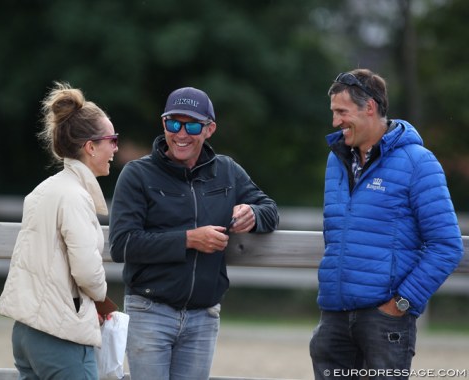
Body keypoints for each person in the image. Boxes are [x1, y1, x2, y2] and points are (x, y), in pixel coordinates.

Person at [109, 86, 279, 380]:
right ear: (164, 124)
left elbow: (270, 209)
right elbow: (122, 245)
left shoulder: (227, 170)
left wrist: (253, 215)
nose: (181, 133)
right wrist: (189, 239)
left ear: (209, 129)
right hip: (149, 310)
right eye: (173, 123)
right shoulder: (137, 174)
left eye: (192, 125)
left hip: (204, 315)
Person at [310, 69, 464, 380]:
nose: (335, 122)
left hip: (386, 321)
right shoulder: (335, 159)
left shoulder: (418, 162)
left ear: (370, 108)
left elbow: (447, 245)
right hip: (334, 319)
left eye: (342, 112)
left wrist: (402, 303)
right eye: (333, 112)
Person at [0, 82, 119, 379]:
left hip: (26, 333)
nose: (115, 147)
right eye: (111, 139)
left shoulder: (43, 190)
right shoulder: (75, 197)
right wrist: (103, 297)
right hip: (60, 336)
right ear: (91, 147)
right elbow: (88, 273)